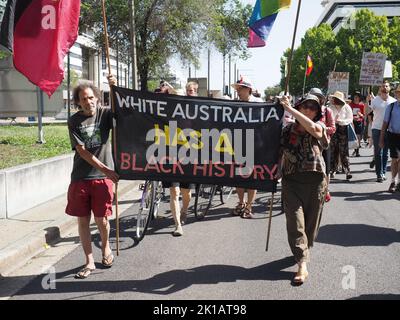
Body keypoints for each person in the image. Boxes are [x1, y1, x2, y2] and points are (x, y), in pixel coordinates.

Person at [66, 76, 119, 279]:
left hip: (102, 178)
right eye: (83, 99)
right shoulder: (74, 120)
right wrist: (106, 169)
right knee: (83, 221)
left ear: (97, 97)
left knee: (102, 219)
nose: (88, 102)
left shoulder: (105, 114)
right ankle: (89, 261)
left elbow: (122, 110)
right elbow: (82, 151)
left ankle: (106, 249)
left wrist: (114, 88)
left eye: (91, 97)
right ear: (78, 101)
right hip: (81, 177)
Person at [279, 94, 328, 284]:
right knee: (295, 222)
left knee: (310, 226)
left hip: (315, 182)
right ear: (300, 106)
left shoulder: (320, 126)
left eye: (313, 108)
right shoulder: (287, 129)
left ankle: (303, 249)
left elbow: (314, 130)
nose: (309, 109)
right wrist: (275, 170)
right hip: (291, 181)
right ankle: (302, 264)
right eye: (305, 106)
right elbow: (280, 150)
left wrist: (290, 109)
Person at [158, 81, 198, 236]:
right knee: (174, 191)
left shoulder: (198, 111)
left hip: (189, 154)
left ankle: (185, 210)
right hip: (171, 153)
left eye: (193, 91)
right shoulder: (170, 110)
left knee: (186, 193)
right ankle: (177, 225)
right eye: (188, 90)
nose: (190, 92)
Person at [230, 77, 263, 218]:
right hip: (238, 143)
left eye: (241, 89)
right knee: (239, 175)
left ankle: (249, 206)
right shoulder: (234, 104)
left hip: (255, 144)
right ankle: (241, 202)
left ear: (248, 90)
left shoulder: (259, 104)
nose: (238, 91)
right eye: (237, 89)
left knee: (252, 177)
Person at [309, 88, 336, 202]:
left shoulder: (327, 111)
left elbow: (333, 128)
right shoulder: (307, 110)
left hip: (324, 143)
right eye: (313, 97)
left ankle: (326, 189)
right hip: (310, 144)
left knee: (326, 169)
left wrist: (321, 128)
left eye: (318, 97)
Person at [371, 81, 396, 182]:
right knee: (378, 152)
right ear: (380, 88)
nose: (384, 88)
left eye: (386, 86)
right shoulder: (375, 100)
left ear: (389, 88)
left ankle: (383, 172)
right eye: (382, 86)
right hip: (377, 128)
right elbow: (367, 112)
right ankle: (379, 174)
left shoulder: (393, 101)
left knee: (386, 153)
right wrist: (367, 102)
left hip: (389, 130)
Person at [379, 85, 400, 193]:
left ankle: (399, 182)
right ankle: (393, 181)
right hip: (393, 135)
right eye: (398, 93)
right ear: (396, 94)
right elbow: (385, 123)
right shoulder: (391, 107)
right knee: (395, 159)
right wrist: (381, 139)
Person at [329, 91, 353, 180]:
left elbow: (350, 119)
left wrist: (342, 121)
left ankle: (347, 171)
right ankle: (332, 170)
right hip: (334, 130)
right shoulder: (331, 107)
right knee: (333, 150)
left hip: (343, 130)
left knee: (344, 152)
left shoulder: (346, 107)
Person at [349, 92, 365, 157]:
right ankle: (355, 149)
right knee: (353, 136)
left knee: (358, 137)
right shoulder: (350, 105)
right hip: (352, 122)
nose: (356, 99)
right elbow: (348, 114)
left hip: (359, 122)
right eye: (355, 97)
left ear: (359, 98)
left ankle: (357, 151)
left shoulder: (362, 105)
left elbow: (363, 115)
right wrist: (353, 118)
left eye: (357, 97)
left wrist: (360, 115)